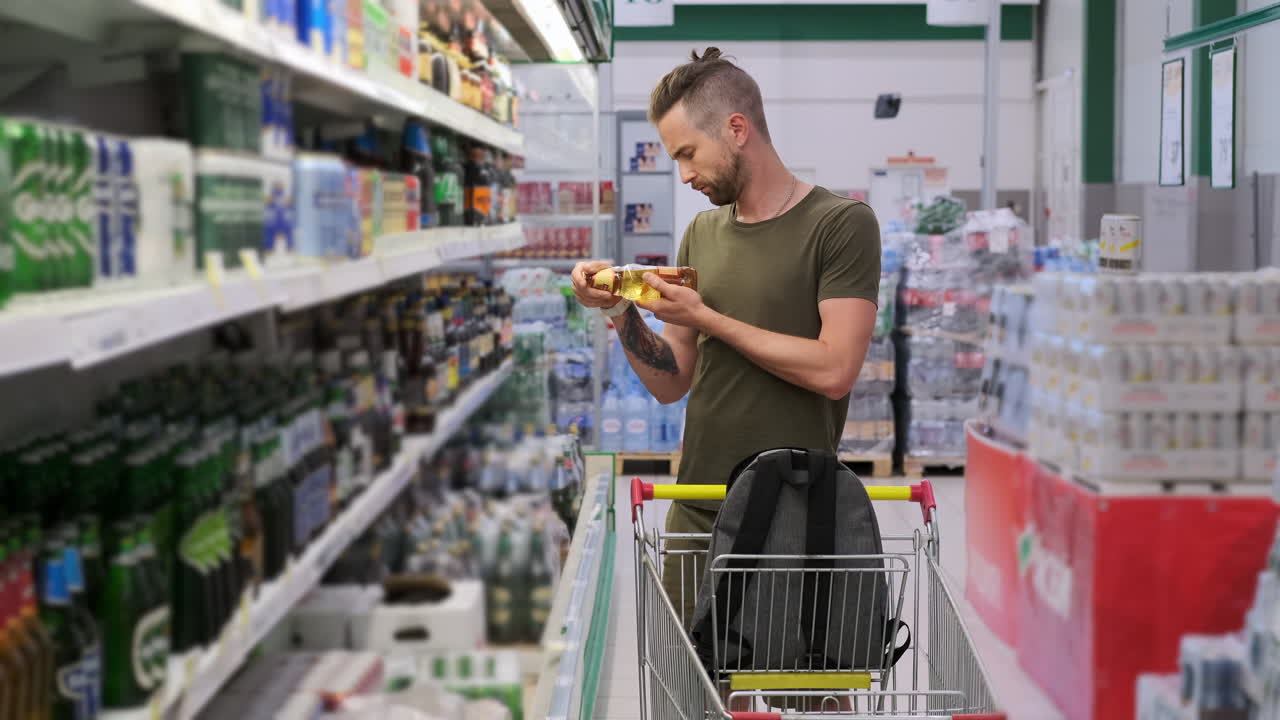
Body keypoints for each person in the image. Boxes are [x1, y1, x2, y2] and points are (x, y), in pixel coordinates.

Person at [570, 46, 881, 702]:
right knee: (693, 698)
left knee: (808, 697)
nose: (682, 174)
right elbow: (672, 380)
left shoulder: (840, 225)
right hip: (698, 512)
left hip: (796, 516)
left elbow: (834, 368)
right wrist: (621, 313)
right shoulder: (701, 237)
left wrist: (709, 319)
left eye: (686, 153)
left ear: (736, 130)